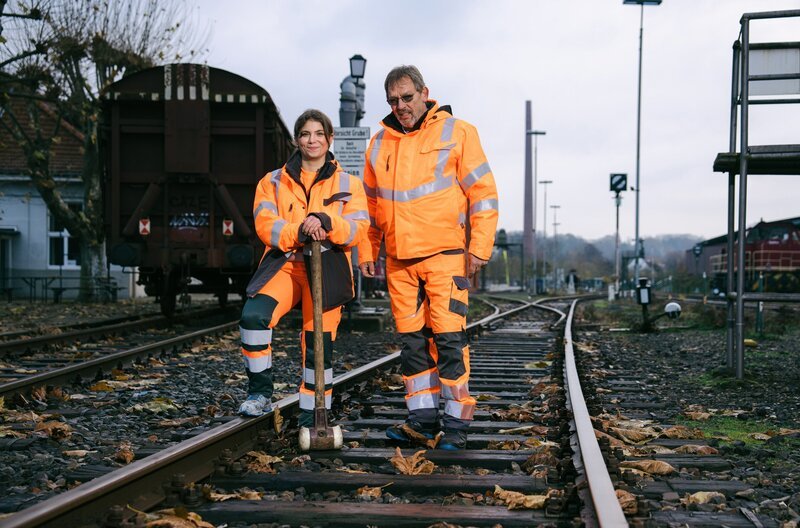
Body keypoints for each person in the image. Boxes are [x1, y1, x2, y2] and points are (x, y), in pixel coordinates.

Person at [358, 66, 499, 450]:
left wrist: (479, 248)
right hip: (399, 262)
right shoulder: (378, 144)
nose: (400, 106)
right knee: (413, 345)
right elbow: (369, 207)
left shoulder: (458, 131)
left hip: (445, 258)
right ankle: (420, 421)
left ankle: (455, 428)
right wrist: (368, 249)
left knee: (450, 341)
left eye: (406, 97)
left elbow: (483, 194)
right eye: (392, 100)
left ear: (425, 93)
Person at [238, 109, 369, 428]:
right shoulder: (272, 182)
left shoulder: (349, 183)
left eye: (319, 134)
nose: (313, 140)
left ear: (330, 138)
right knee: (253, 318)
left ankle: (312, 412)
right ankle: (259, 394)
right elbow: (265, 224)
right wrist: (298, 231)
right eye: (306, 134)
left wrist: (327, 221)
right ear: (296, 140)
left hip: (327, 269)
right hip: (285, 266)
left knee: (318, 342)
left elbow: (359, 228)